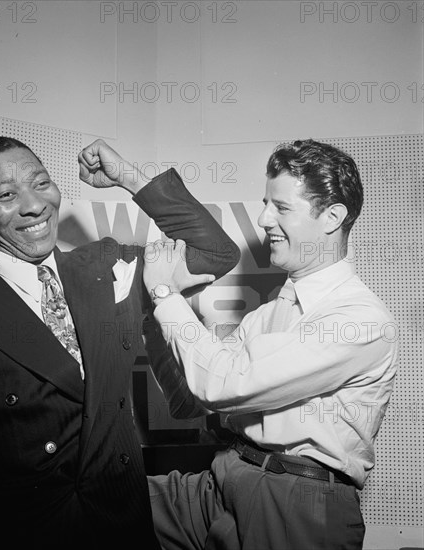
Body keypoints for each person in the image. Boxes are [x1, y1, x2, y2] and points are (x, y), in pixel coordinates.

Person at [0, 136, 240, 550]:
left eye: (40, 183)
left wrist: (128, 178)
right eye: (6, 194)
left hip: (122, 524)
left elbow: (216, 252)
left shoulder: (109, 265)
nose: (34, 205)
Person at [142, 139, 398, 550]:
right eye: (266, 203)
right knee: (107, 500)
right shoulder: (269, 313)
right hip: (226, 475)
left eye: (281, 207)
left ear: (332, 217)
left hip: (294, 501)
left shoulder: (360, 320)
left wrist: (163, 293)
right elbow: (198, 399)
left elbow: (223, 385)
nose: (263, 219)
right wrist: (168, 303)